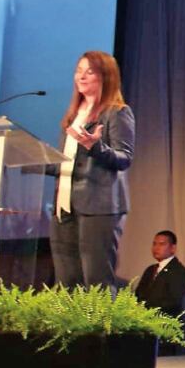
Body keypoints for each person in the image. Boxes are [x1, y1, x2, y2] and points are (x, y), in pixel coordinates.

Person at [49, 51, 135, 290]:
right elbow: (66, 162)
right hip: (64, 207)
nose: (81, 77)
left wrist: (95, 147)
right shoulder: (73, 116)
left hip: (99, 208)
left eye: (89, 72)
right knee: (66, 283)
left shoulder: (117, 112)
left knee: (97, 283)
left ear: (105, 77)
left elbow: (124, 158)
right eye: (78, 71)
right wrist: (31, 159)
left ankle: (100, 318)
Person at [134, 230, 185, 319]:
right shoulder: (150, 269)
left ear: (173, 248)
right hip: (143, 320)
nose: (156, 248)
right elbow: (138, 294)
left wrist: (147, 309)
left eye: (161, 244)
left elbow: (173, 302)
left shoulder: (179, 271)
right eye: (154, 244)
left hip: (164, 322)